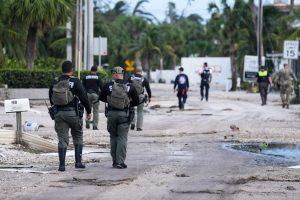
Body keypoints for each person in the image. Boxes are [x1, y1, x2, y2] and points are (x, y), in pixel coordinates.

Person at [49, 61, 92, 172]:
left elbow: (51, 98)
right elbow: (84, 97)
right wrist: (89, 111)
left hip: (59, 114)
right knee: (77, 136)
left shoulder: (55, 81)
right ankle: (78, 163)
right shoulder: (75, 81)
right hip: (74, 114)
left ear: (62, 70)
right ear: (71, 70)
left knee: (62, 139)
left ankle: (62, 165)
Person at [99, 66, 139, 169]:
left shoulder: (108, 86)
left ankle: (114, 161)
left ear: (114, 74)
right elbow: (136, 102)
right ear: (123, 74)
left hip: (111, 114)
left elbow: (102, 98)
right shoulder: (129, 86)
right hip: (124, 115)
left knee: (113, 137)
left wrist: (112, 101)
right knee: (122, 137)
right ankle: (120, 162)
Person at [129, 66, 152, 131]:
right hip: (140, 97)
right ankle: (139, 127)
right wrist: (149, 97)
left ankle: (132, 123)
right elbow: (148, 89)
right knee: (140, 111)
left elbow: (126, 86)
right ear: (141, 71)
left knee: (131, 110)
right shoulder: (144, 79)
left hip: (132, 97)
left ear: (135, 71)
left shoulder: (131, 77)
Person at [82, 66, 103, 130]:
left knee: (88, 109)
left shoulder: (85, 77)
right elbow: (102, 87)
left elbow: (82, 87)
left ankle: (87, 123)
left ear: (90, 70)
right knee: (96, 111)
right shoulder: (98, 78)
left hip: (87, 95)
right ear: (96, 71)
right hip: (95, 95)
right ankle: (95, 126)